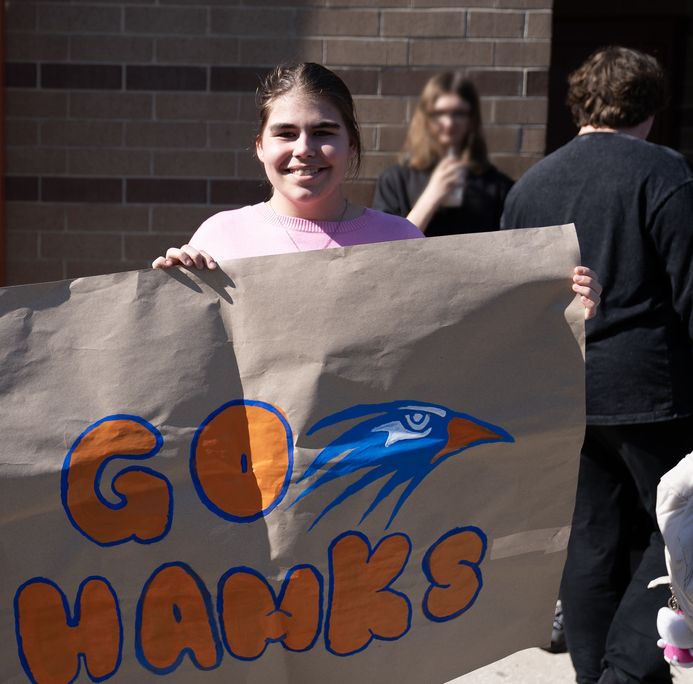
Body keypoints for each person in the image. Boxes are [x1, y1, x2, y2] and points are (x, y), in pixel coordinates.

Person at [501, 46, 693, 684]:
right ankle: (630, 672)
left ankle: (598, 674)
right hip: (653, 391)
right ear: (650, 109)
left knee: (593, 543)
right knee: (676, 531)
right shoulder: (665, 174)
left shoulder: (530, 187)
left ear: (580, 102)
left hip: (566, 388)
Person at [152, 62, 601, 327]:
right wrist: (169, 292)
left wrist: (556, 305)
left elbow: (459, 338)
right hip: (255, 466)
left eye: (324, 132)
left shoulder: (401, 238)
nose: (304, 150)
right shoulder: (219, 237)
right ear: (260, 147)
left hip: (373, 474)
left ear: (352, 145)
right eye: (285, 133)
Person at [372, 72, 514, 237]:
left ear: (472, 120)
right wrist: (432, 196)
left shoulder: (498, 187)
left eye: (459, 114)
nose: (449, 123)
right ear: (425, 118)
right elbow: (383, 250)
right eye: (439, 113)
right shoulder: (395, 180)